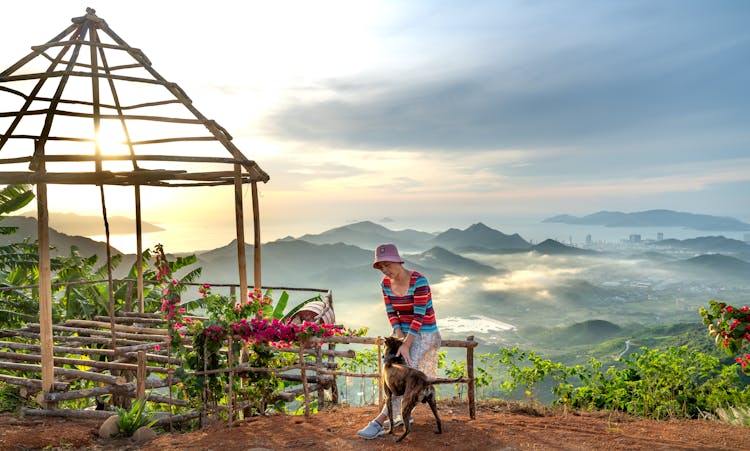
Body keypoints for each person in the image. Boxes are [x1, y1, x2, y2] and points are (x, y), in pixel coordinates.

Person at [357, 243, 441, 440]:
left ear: (398, 261)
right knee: (389, 371)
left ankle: (379, 421)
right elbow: (391, 312)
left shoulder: (419, 281)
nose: (385, 271)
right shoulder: (385, 284)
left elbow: (419, 316)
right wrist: (397, 335)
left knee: (407, 375)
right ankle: (403, 415)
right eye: (381, 267)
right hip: (402, 333)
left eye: (387, 265)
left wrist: (407, 344)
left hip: (425, 333)